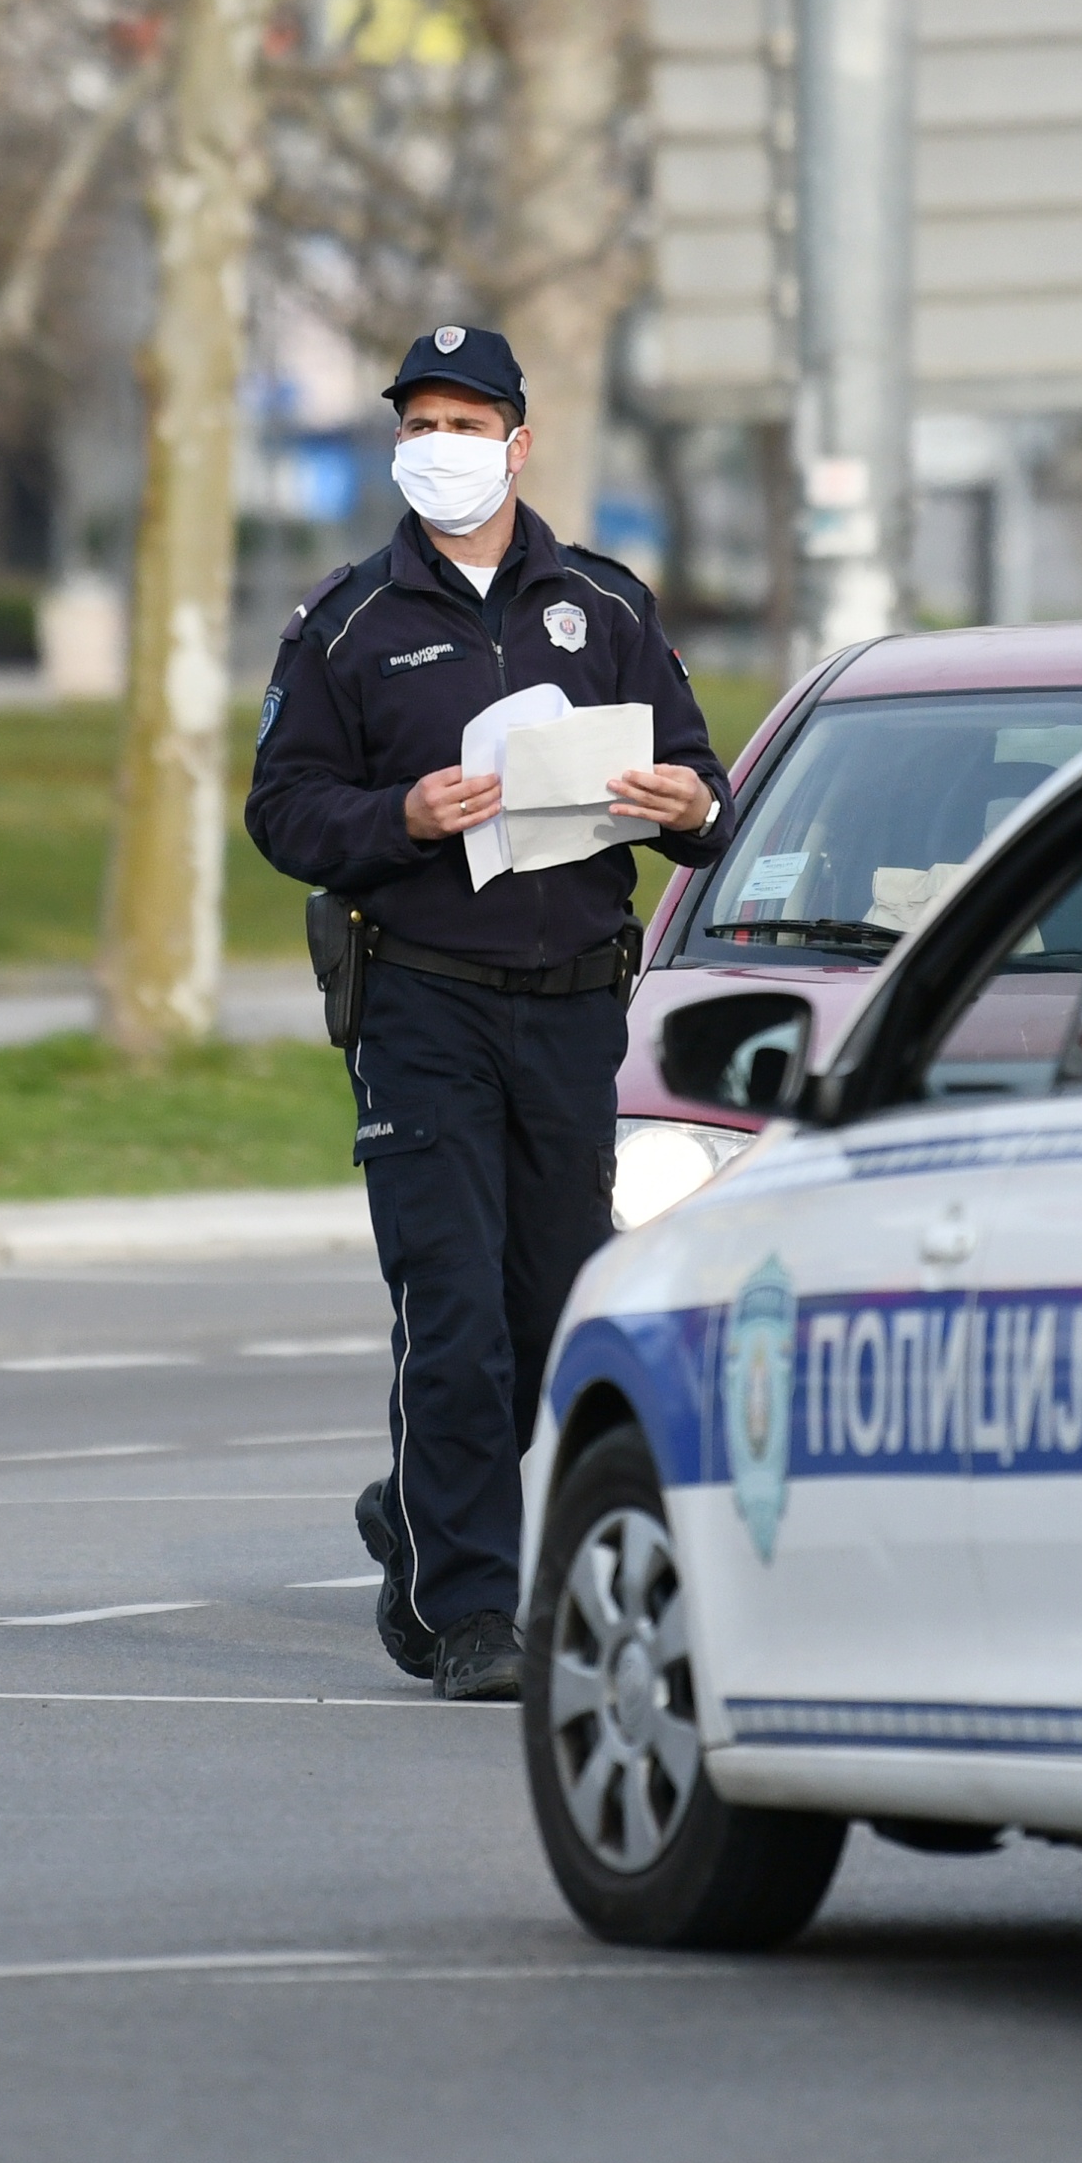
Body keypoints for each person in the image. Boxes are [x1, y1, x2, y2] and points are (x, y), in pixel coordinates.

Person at [247, 324, 728, 1701]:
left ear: (519, 442)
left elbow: (701, 782)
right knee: (450, 1306)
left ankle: (415, 1511)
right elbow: (282, 807)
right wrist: (397, 814)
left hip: (574, 1005)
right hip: (422, 1003)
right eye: (421, 422)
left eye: (467, 422)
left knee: (552, 1315)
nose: (440, 446)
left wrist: (689, 807)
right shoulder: (345, 621)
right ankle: (467, 1605)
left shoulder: (606, 605)